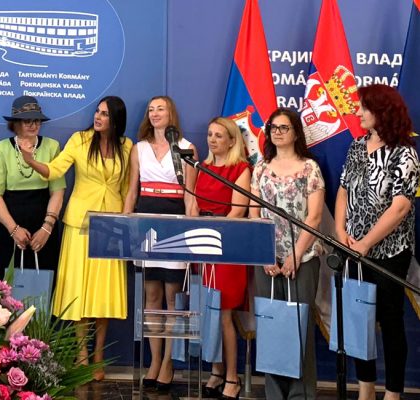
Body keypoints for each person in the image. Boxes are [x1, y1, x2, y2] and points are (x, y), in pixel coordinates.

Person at [21, 96, 132, 381]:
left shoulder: (127, 146)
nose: (98, 117)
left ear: (116, 120)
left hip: (111, 225)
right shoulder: (79, 140)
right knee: (80, 290)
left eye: (105, 114)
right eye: (97, 111)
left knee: (104, 293)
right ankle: (82, 354)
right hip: (79, 223)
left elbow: (128, 188)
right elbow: (55, 170)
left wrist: (126, 220)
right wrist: (31, 160)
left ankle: (99, 356)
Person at [334, 84, 420, 400]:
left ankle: (393, 393)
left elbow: (400, 207)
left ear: (382, 111)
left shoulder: (405, 153)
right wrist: (341, 233)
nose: (357, 112)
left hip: (389, 253)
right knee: (359, 321)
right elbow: (343, 190)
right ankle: (366, 390)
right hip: (352, 249)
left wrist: (366, 243)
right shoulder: (357, 146)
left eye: (364, 107)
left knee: (390, 321)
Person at [123, 95, 197, 390]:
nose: (155, 113)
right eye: (151, 110)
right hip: (146, 224)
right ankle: (154, 360)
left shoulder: (186, 147)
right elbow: (132, 191)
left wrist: (191, 230)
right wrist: (127, 223)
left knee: (172, 297)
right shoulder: (138, 148)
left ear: (171, 113)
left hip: (175, 224)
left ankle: (168, 362)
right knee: (151, 295)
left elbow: (190, 194)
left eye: (160, 109)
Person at [250, 108, 325, 400]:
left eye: (284, 127)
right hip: (267, 259)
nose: (278, 132)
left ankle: (300, 394)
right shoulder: (260, 167)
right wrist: (265, 253)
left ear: (296, 133)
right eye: (273, 127)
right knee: (271, 326)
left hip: (303, 258)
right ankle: (274, 393)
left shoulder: (310, 168)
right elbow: (253, 213)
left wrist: (295, 254)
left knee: (298, 326)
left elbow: (314, 217)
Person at [190, 117, 251, 399]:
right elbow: (193, 204)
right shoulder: (202, 168)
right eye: (210, 134)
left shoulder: (240, 169)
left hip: (225, 247)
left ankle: (232, 377)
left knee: (224, 313)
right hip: (201, 245)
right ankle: (216, 370)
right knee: (207, 310)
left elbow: (237, 212)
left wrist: (211, 235)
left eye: (219, 135)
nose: (212, 140)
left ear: (231, 140)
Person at [0, 96, 65, 281]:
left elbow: (57, 191)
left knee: (43, 283)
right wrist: (14, 230)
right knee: (6, 286)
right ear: (15, 124)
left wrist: (47, 228)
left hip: (43, 224)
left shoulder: (52, 146)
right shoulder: (1, 149)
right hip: (9, 225)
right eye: (27, 120)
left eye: (37, 120)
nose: (33, 125)